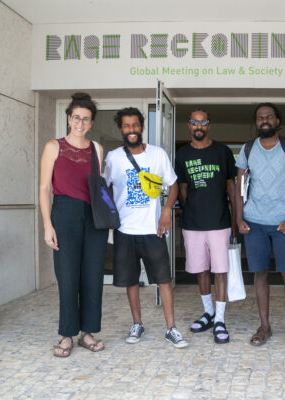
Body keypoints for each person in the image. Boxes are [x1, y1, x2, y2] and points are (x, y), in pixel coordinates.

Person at [104, 107, 187, 348]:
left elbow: (173, 185)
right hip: (124, 230)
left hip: (153, 230)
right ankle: (137, 323)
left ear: (142, 127)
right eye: (126, 126)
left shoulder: (157, 155)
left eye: (135, 125)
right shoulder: (113, 157)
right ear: (121, 129)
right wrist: (109, 214)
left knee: (163, 280)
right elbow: (104, 188)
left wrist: (165, 212)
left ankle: (171, 328)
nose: (131, 130)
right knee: (131, 281)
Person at [39, 92, 107, 357]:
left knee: (92, 276)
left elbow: (98, 186)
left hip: (94, 217)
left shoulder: (97, 149)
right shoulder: (53, 146)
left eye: (86, 119)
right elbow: (45, 187)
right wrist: (47, 224)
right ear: (69, 118)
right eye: (76, 117)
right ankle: (66, 334)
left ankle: (87, 332)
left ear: (91, 123)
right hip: (64, 213)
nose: (80, 123)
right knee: (67, 276)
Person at [235, 102, 285, 349]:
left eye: (269, 117)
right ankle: (264, 325)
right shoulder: (247, 148)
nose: (264, 120)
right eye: (260, 118)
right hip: (254, 222)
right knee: (260, 274)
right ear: (256, 123)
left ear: (277, 121)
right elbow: (240, 188)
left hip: (282, 223)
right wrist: (239, 219)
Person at [175, 109, 237, 344]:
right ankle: (209, 313)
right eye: (194, 122)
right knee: (201, 269)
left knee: (220, 270)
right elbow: (182, 188)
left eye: (203, 122)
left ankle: (220, 319)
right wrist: (189, 212)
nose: (198, 126)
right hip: (193, 224)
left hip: (219, 221)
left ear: (208, 125)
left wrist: (234, 219)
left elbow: (231, 187)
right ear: (189, 125)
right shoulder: (182, 155)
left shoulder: (222, 152)